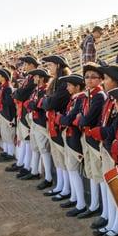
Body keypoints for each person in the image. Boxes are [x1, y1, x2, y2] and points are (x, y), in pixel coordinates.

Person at [83, 64, 118, 230]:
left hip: (113, 149)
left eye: (107, 79)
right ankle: (109, 219)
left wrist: (99, 132)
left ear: (116, 81)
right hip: (106, 146)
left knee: (115, 189)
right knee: (108, 187)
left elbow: (115, 127)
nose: (104, 81)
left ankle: (117, 225)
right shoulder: (109, 98)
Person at [77, 63, 107, 222]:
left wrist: (80, 120)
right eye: (87, 77)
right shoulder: (88, 95)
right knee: (91, 173)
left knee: (98, 174)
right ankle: (94, 204)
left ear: (101, 80)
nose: (89, 80)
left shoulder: (99, 96)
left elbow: (87, 118)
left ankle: (99, 208)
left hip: (94, 139)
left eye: (93, 77)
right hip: (86, 137)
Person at [57, 74, 88, 217]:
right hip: (70, 136)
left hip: (75, 138)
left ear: (77, 87)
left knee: (74, 170)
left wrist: (60, 118)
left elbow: (68, 119)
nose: (67, 87)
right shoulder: (75, 99)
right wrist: (64, 119)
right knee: (71, 169)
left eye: (70, 85)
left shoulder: (80, 99)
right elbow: (68, 118)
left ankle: (81, 203)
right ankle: (75, 198)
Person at [41, 55, 72, 199]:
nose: (49, 68)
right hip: (53, 122)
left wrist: (47, 101)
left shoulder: (63, 82)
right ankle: (60, 185)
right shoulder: (55, 82)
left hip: (60, 124)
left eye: (51, 65)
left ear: (58, 66)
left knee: (63, 159)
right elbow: (47, 102)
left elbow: (51, 103)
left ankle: (66, 189)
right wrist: (47, 101)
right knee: (57, 158)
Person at [8, 56, 39, 179]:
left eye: (26, 64)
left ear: (32, 65)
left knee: (27, 139)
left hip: (27, 111)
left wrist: (17, 94)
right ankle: (22, 163)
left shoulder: (33, 79)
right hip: (23, 110)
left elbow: (22, 94)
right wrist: (17, 93)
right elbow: (19, 91)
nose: (24, 66)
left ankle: (28, 166)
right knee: (24, 139)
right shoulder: (28, 77)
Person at [26, 69, 54, 190]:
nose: (34, 79)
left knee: (43, 149)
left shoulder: (45, 90)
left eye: (36, 76)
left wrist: (32, 104)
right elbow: (31, 103)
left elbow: (37, 105)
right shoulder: (37, 90)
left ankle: (48, 177)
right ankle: (34, 171)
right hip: (35, 121)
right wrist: (32, 104)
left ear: (42, 78)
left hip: (41, 122)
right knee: (36, 147)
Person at [0, 68, 16, 162]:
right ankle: (6, 151)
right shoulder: (3, 86)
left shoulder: (8, 88)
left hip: (9, 114)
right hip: (4, 113)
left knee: (9, 134)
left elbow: (9, 102)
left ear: (3, 77)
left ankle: (10, 153)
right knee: (4, 134)